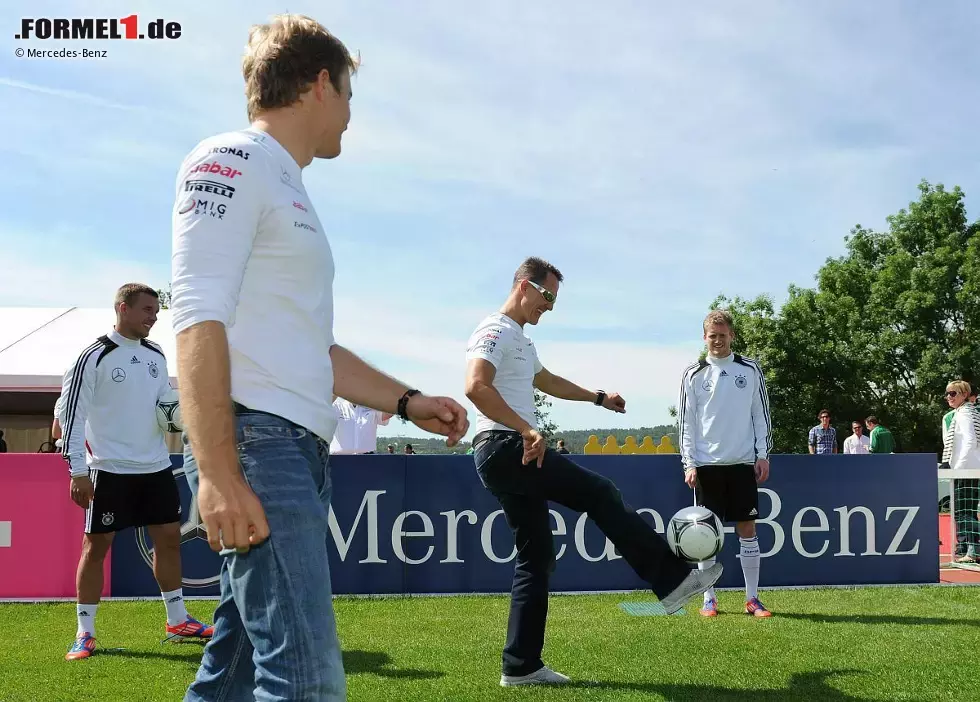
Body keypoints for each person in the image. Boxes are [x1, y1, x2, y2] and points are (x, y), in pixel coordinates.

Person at [170, 15, 469, 701]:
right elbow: (195, 316)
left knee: (231, 677)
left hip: (294, 449)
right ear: (320, 84)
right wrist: (217, 473)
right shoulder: (231, 158)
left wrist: (406, 401)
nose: (351, 118)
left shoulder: (289, 184)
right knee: (307, 682)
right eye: (350, 96)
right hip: (257, 447)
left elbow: (314, 347)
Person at [465, 256, 721, 688]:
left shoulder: (521, 342)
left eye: (555, 299)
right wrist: (526, 427)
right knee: (599, 493)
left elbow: (547, 381)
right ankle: (675, 581)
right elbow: (475, 386)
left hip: (506, 452)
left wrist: (598, 397)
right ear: (524, 286)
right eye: (547, 295)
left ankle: (521, 665)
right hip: (506, 448)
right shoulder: (494, 330)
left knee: (536, 557)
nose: (550, 306)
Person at [56, 283, 213, 661]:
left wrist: (178, 414)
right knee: (96, 549)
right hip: (109, 470)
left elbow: (165, 402)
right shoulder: (93, 356)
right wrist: (77, 471)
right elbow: (70, 417)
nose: (153, 317)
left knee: (170, 541)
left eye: (156, 311)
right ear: (123, 308)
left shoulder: (156, 354)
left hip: (156, 467)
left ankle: (177, 620)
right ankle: (85, 632)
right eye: (147, 310)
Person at [678, 309, 773, 618]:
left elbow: (761, 415)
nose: (718, 340)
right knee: (704, 536)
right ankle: (709, 599)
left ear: (732, 335)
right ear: (705, 338)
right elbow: (687, 423)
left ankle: (752, 599)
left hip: (743, 462)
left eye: (723, 335)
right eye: (712, 335)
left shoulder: (750, 369)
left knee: (747, 529)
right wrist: (689, 463)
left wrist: (762, 454)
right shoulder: (693, 373)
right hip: (706, 466)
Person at [941, 380, 980, 564]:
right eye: (948, 393)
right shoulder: (969, 412)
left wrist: (958, 469)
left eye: (953, 393)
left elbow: (970, 442)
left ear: (964, 394)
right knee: (968, 511)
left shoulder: (964, 414)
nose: (949, 397)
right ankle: (972, 550)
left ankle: (974, 549)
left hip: (966, 469)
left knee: (962, 512)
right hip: (970, 468)